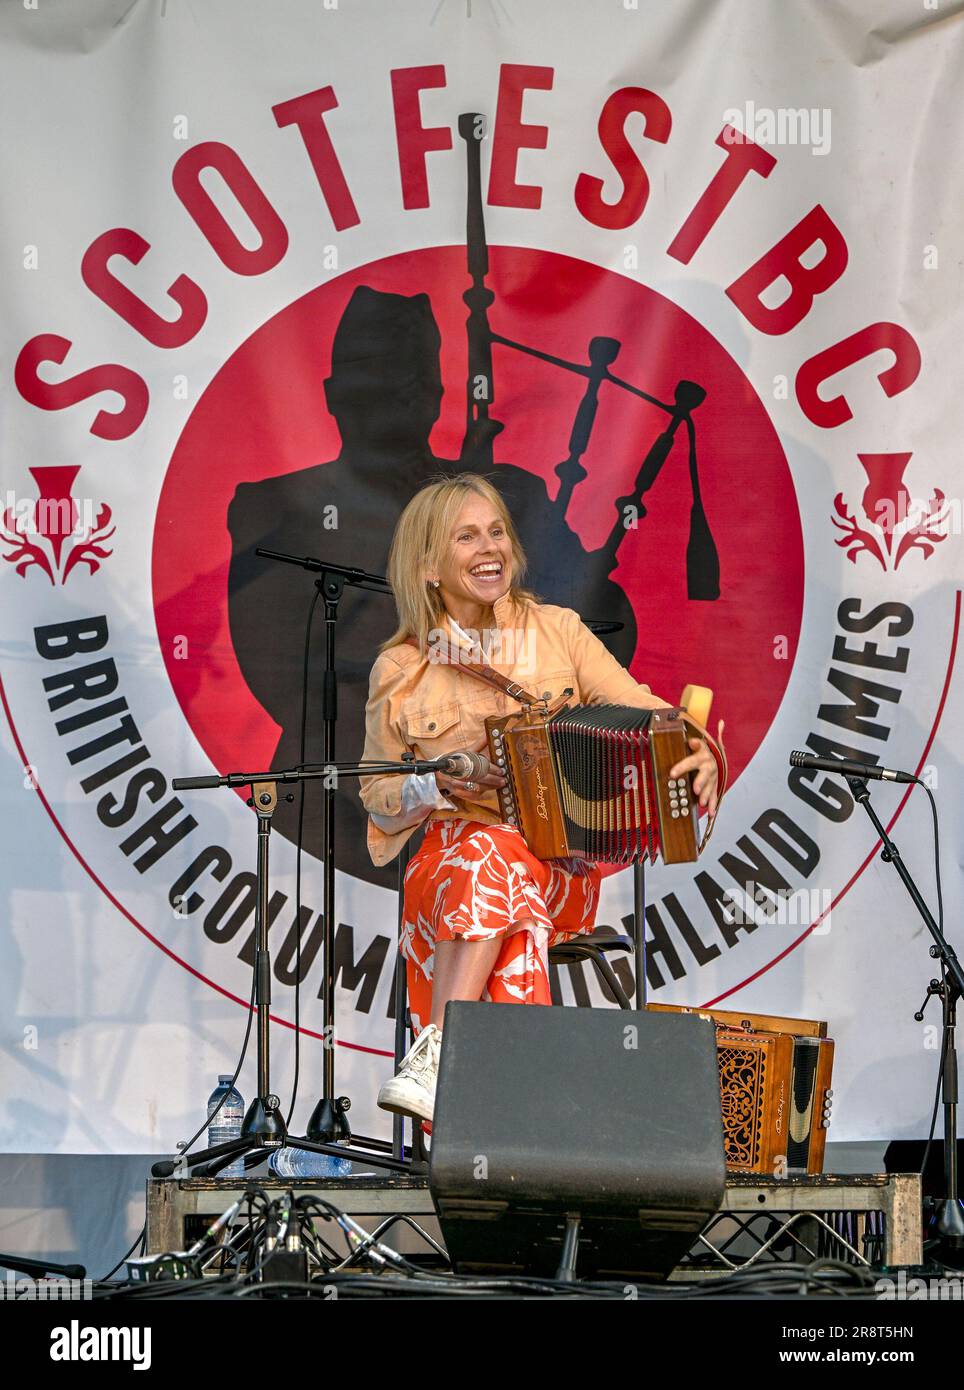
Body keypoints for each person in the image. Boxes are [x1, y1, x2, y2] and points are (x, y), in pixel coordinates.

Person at [358, 474, 721, 1125]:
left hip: (559, 869)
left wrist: (702, 750)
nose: (489, 546)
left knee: (499, 863)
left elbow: (648, 711)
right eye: (466, 536)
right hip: (447, 866)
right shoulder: (402, 668)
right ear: (427, 564)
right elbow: (377, 798)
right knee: (495, 878)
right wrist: (435, 785)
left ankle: (441, 1056)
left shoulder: (559, 631)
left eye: (496, 530)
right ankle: (515, 1116)